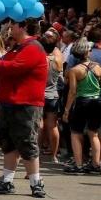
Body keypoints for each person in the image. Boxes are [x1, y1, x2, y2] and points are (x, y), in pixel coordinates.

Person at [0, 18, 49, 198]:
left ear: (23, 27)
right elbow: (2, 71)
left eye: (13, 25)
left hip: (25, 103)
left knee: (26, 142)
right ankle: (7, 180)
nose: (9, 28)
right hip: (8, 102)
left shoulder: (33, 47)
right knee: (8, 143)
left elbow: (15, 68)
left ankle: (36, 182)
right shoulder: (16, 48)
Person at [62, 39, 101, 174]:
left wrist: (67, 110)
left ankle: (78, 164)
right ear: (88, 53)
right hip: (98, 101)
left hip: (82, 102)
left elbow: (73, 91)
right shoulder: (98, 67)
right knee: (94, 134)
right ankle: (96, 164)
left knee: (75, 133)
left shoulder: (74, 70)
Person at [39, 28, 65, 163]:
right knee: (53, 126)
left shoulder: (40, 60)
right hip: (53, 95)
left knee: (39, 125)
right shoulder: (58, 59)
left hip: (39, 95)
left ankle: (36, 154)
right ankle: (54, 155)